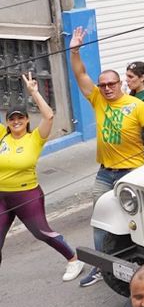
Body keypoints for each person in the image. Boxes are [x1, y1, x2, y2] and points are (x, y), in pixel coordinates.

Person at [69, 27, 144, 286]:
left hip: (132, 171)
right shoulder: (97, 99)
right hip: (105, 172)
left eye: (112, 83)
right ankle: (100, 267)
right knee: (100, 222)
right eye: (103, 85)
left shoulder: (137, 105)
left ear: (120, 83)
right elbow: (80, 73)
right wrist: (75, 49)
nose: (107, 88)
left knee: (138, 219)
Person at [0, 74, 84, 280]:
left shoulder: (34, 139)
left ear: (27, 120)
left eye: (21, 118)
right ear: (7, 122)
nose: (16, 121)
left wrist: (34, 92)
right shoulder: (2, 135)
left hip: (27, 194)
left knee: (41, 232)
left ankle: (73, 259)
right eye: (12, 118)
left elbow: (48, 116)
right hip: (2, 197)